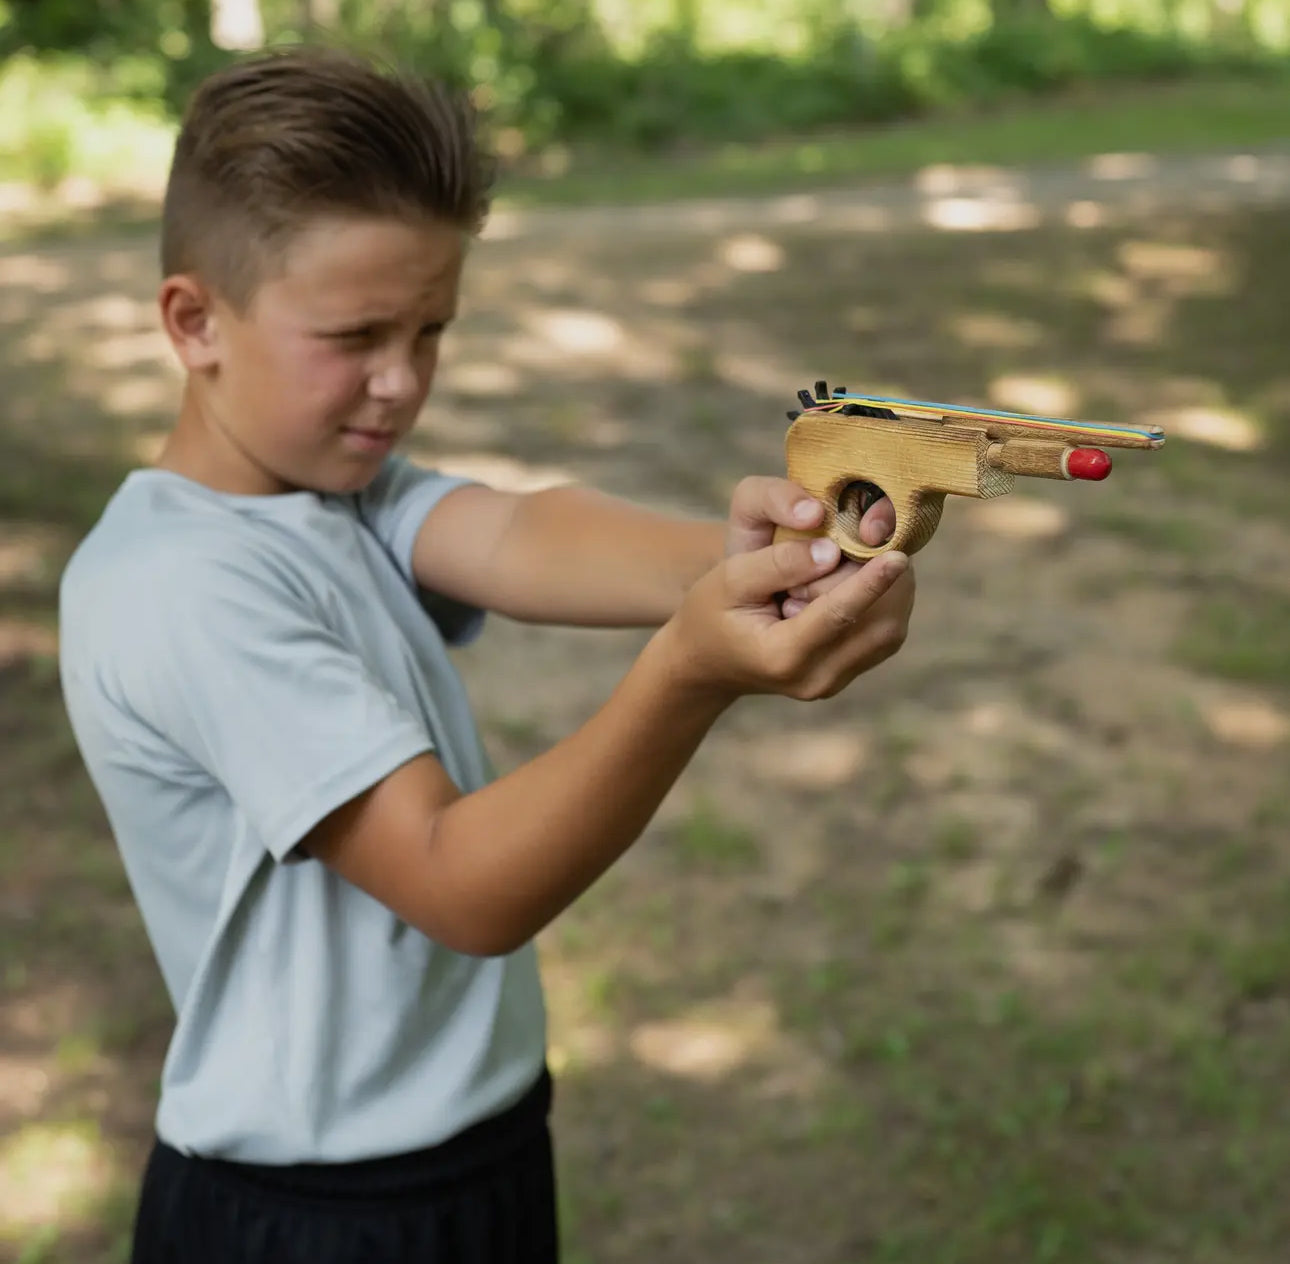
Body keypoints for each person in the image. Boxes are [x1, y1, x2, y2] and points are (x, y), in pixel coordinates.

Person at [57, 44, 915, 1264]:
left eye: (433, 327)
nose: (401, 381)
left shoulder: (329, 485)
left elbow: (518, 530)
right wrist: (692, 667)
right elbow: (462, 882)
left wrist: (753, 554)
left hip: (471, 1151)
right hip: (321, 1216)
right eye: (354, 334)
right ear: (195, 322)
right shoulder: (183, 584)